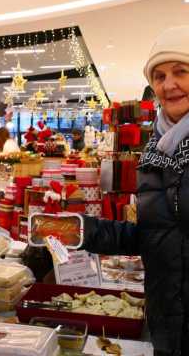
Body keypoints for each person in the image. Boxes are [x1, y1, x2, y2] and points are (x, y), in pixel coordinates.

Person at [81, 26, 189, 355]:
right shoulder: (155, 149)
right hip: (167, 314)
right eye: (159, 76)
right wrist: (84, 230)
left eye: (181, 71)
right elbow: (156, 236)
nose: (168, 84)